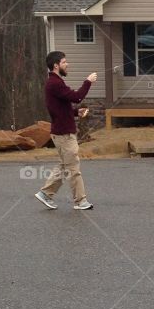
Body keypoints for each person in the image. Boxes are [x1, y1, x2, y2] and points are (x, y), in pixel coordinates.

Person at [34, 52, 96, 210]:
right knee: (73, 168)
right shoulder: (55, 83)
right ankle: (80, 201)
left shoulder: (55, 83)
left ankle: (45, 193)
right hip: (63, 134)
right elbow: (76, 97)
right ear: (56, 65)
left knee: (64, 166)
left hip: (61, 132)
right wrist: (88, 82)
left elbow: (61, 107)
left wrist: (76, 113)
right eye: (64, 62)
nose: (67, 64)